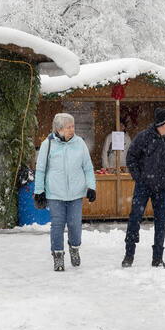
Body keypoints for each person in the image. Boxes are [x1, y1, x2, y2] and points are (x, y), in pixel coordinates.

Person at [33, 113, 96, 272]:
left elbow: (88, 168)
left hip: (75, 194)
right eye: (68, 127)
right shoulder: (47, 144)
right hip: (55, 193)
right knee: (57, 225)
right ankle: (58, 255)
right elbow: (40, 170)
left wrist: (91, 186)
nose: (72, 130)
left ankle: (74, 248)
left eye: (73, 126)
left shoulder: (80, 143)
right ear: (59, 129)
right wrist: (39, 190)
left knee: (75, 225)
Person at [123, 107, 165, 268]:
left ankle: (158, 258)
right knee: (135, 218)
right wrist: (139, 177)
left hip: (162, 188)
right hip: (143, 186)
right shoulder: (144, 137)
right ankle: (129, 254)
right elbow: (131, 157)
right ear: (162, 123)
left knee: (161, 222)